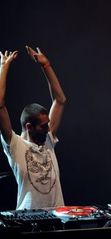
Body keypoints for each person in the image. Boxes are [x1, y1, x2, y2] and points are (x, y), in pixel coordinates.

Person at [0, 46, 67, 210]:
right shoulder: (16, 146)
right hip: (29, 221)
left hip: (58, 218)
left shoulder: (48, 140)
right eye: (43, 126)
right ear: (29, 126)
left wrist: (46, 66)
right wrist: (4, 67)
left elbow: (60, 100)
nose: (48, 129)